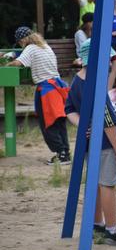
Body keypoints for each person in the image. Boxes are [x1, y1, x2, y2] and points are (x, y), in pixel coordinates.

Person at [65, 38, 116, 246]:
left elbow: (69, 109)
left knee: (97, 183)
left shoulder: (78, 80)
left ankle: (96, 224)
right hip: (106, 144)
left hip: (90, 144)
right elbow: (107, 123)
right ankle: (112, 230)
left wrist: (81, 124)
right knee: (108, 185)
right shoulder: (95, 85)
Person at [4, 27, 70, 165]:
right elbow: (25, 56)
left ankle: (61, 153)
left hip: (46, 90)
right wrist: (12, 55)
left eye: (20, 42)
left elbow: (19, 63)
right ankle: (65, 152)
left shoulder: (30, 48)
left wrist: (8, 64)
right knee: (59, 122)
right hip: (58, 87)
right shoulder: (44, 46)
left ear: (22, 40)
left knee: (48, 123)